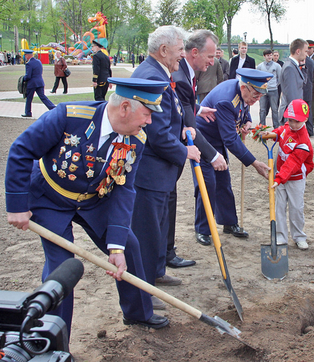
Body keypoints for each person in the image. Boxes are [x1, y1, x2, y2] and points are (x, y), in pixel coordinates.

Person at [6, 77, 171, 334]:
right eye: (147, 114)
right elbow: (21, 150)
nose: (149, 121)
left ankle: (138, 313)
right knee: (61, 269)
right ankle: (57, 338)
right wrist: (16, 205)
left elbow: (124, 189)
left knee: (129, 246)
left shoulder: (136, 138)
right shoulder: (68, 116)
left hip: (95, 199)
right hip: (50, 198)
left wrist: (115, 246)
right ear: (125, 107)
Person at [130, 26, 202, 310]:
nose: (183, 54)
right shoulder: (151, 76)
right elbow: (156, 134)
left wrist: (184, 125)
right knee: (147, 235)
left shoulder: (159, 72)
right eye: (180, 49)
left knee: (157, 230)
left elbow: (169, 114)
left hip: (159, 173)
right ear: (163, 51)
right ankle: (144, 293)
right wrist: (185, 151)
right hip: (149, 172)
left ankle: (156, 274)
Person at [193, 69, 271, 245]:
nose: (257, 99)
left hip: (217, 139)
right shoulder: (226, 100)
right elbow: (230, 139)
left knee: (223, 182)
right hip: (203, 140)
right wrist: (254, 163)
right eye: (256, 95)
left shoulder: (243, 94)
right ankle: (203, 229)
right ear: (244, 87)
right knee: (207, 184)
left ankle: (229, 223)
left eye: (260, 96)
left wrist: (247, 121)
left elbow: (244, 108)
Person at [170, 29, 227, 250]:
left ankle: (166, 254)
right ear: (194, 52)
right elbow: (189, 127)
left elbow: (184, 104)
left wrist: (198, 108)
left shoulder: (186, 74)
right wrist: (213, 155)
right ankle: (164, 256)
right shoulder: (181, 76)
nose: (213, 62)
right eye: (210, 57)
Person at [260, 99, 314, 250]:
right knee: (279, 207)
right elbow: (280, 132)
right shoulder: (287, 127)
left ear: (305, 120)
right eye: (290, 120)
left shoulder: (303, 142)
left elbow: (293, 163)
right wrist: (271, 134)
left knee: (296, 208)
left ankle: (299, 236)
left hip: (295, 178)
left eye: (297, 121)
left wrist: (279, 178)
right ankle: (280, 236)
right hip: (280, 176)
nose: (293, 124)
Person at [279, 39, 308, 123]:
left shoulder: (293, 65)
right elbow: (291, 95)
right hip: (291, 116)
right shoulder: (289, 68)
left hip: (293, 114)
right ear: (298, 51)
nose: (307, 54)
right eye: (305, 51)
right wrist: (296, 117)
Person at [21, 49, 55, 118]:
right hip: (40, 82)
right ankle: (53, 108)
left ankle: (28, 112)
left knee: (29, 98)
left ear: (27, 55)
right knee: (43, 97)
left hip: (32, 84)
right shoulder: (39, 62)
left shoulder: (29, 64)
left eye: (25, 55)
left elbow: (28, 76)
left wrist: (22, 79)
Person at [256, 49, 282, 128]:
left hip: (273, 90)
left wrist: (275, 85)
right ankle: (262, 126)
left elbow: (280, 77)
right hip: (263, 90)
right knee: (262, 109)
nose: (269, 57)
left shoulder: (277, 66)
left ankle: (276, 126)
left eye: (271, 55)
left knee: (274, 109)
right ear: (264, 56)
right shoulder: (260, 66)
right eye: (268, 55)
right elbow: (257, 77)